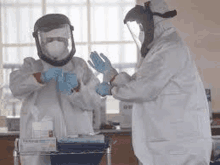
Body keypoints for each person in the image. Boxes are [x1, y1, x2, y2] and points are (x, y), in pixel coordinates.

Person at [88, 0, 212, 164]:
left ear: (154, 23)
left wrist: (112, 90)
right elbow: (141, 82)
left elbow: (144, 89)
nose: (140, 31)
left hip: (178, 149)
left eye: (141, 26)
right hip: (170, 148)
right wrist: (112, 75)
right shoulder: (160, 48)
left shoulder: (170, 49)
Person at [9, 14, 102, 165]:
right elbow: (16, 87)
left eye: (60, 39)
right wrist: (39, 77)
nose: (55, 43)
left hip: (76, 142)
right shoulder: (32, 66)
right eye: (50, 40)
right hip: (41, 144)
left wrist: (78, 88)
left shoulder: (79, 66)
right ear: (41, 42)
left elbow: (95, 101)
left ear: (68, 40)